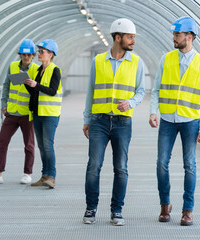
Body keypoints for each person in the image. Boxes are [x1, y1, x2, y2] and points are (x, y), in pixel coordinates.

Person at [149, 16, 200, 226]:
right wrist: (153, 112)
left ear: (189, 36)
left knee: (190, 165)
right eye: (174, 34)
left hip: (190, 121)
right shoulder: (166, 59)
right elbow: (156, 89)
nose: (173, 38)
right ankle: (165, 205)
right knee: (161, 163)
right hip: (167, 119)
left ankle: (188, 210)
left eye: (177, 34)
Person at [82, 18, 145, 226]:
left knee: (121, 168)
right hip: (99, 121)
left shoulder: (136, 62)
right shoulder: (98, 61)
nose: (133, 41)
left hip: (122, 123)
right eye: (130, 37)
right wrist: (87, 119)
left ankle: (116, 211)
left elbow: (141, 91)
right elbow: (91, 91)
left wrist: (131, 102)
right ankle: (91, 208)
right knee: (94, 165)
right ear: (118, 38)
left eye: (134, 37)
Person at [0, 39, 39, 185]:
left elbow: (38, 91)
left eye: (28, 55)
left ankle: (27, 173)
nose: (26, 57)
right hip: (12, 112)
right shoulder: (12, 66)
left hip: (27, 114)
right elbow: (6, 86)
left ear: (33, 55)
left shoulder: (36, 69)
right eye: (23, 55)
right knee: (2, 141)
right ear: (19, 54)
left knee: (29, 145)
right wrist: (3, 105)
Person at [24, 39, 62, 189]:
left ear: (51, 54)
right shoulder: (38, 70)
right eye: (38, 51)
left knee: (48, 145)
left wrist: (36, 85)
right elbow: (35, 92)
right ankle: (44, 175)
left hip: (50, 114)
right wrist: (27, 83)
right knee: (41, 145)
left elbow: (52, 91)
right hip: (37, 112)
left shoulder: (55, 70)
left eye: (41, 51)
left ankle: (51, 177)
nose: (38, 54)